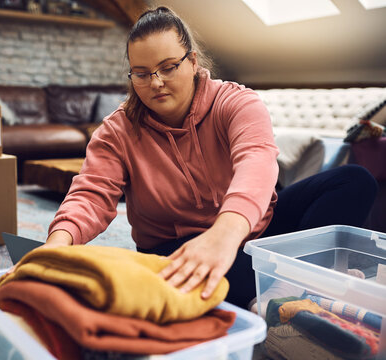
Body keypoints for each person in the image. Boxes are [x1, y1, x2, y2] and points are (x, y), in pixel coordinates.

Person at [41, 6, 378, 309]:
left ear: (192, 61)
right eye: (141, 73)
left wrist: (225, 234)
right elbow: (91, 193)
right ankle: (307, 280)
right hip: (174, 247)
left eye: (168, 67)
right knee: (187, 283)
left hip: (251, 230)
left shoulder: (236, 103)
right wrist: (57, 244)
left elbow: (257, 163)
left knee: (354, 180)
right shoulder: (118, 130)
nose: (155, 83)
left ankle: (288, 284)